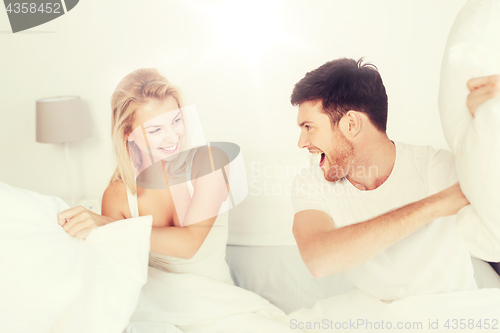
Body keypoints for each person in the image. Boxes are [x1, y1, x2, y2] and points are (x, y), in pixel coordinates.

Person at [57, 68, 298, 333]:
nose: (172, 137)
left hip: (218, 307)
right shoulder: (117, 195)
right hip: (154, 308)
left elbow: (189, 244)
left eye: (176, 121)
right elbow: (118, 270)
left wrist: (106, 225)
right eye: (156, 129)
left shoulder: (210, 163)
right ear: (128, 133)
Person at [288, 58, 500, 328]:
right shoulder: (311, 182)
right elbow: (318, 259)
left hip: (449, 310)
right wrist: (437, 204)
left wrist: (493, 116)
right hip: (372, 315)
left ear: (350, 124)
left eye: (308, 127)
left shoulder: (437, 168)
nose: (302, 142)